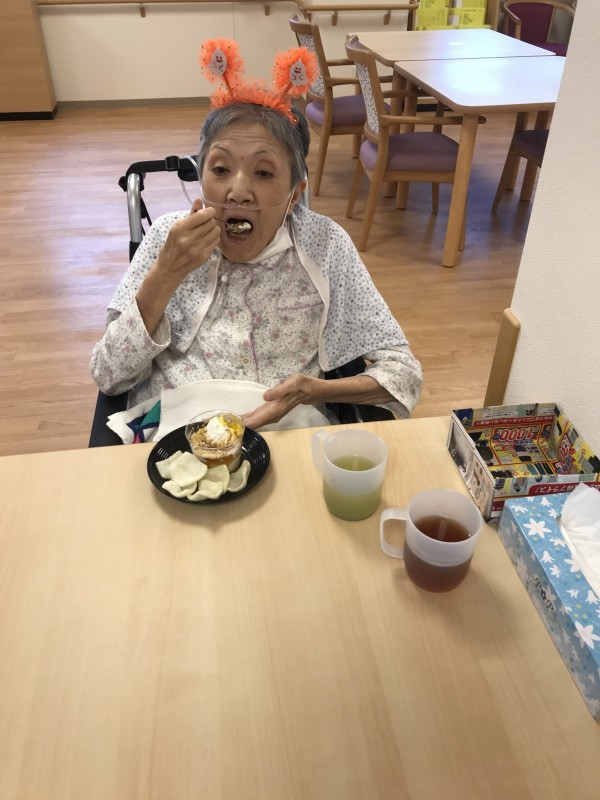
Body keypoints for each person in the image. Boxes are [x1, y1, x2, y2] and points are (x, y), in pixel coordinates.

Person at [90, 40, 422, 431]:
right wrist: (166, 273)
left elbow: (403, 375)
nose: (238, 192)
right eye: (220, 169)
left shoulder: (323, 244)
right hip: (179, 435)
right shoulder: (169, 237)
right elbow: (109, 374)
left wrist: (313, 391)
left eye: (264, 173)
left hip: (288, 434)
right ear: (201, 176)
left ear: (294, 195)